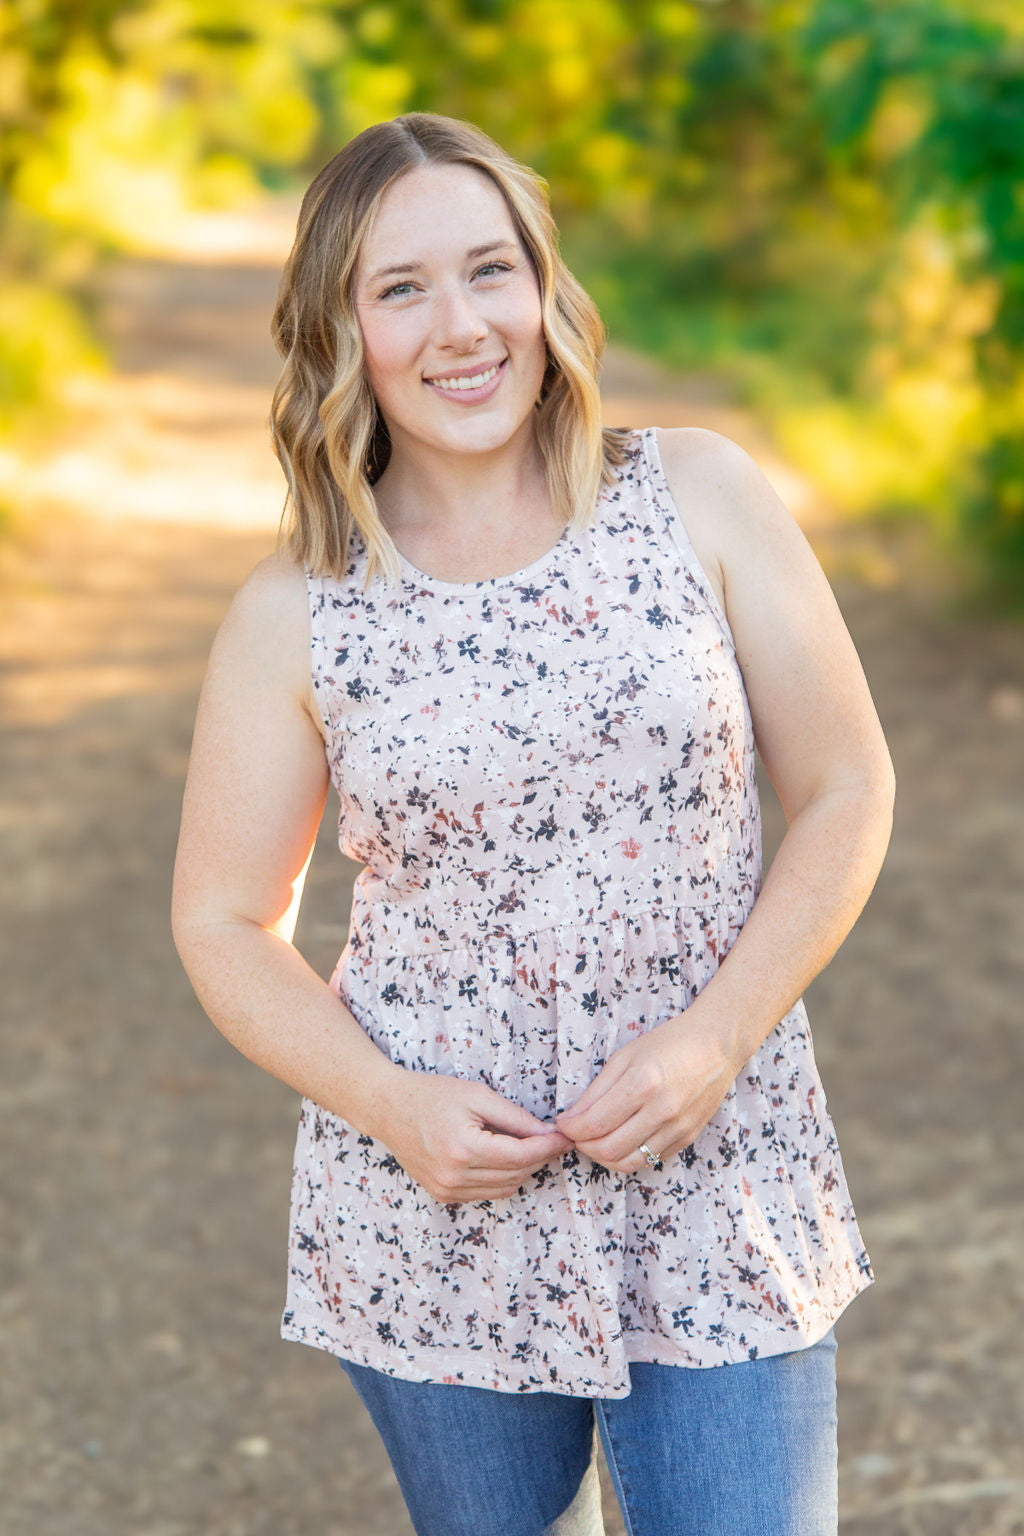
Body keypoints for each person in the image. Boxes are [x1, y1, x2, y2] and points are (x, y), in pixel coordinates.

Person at [171, 112, 895, 1536]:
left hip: (718, 1167)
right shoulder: (296, 612)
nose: (462, 326)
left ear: (546, 287)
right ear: (340, 329)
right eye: (401, 289)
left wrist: (720, 1033)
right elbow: (220, 920)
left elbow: (847, 787)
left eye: (490, 269)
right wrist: (390, 1106)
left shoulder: (699, 496)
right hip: (437, 1206)